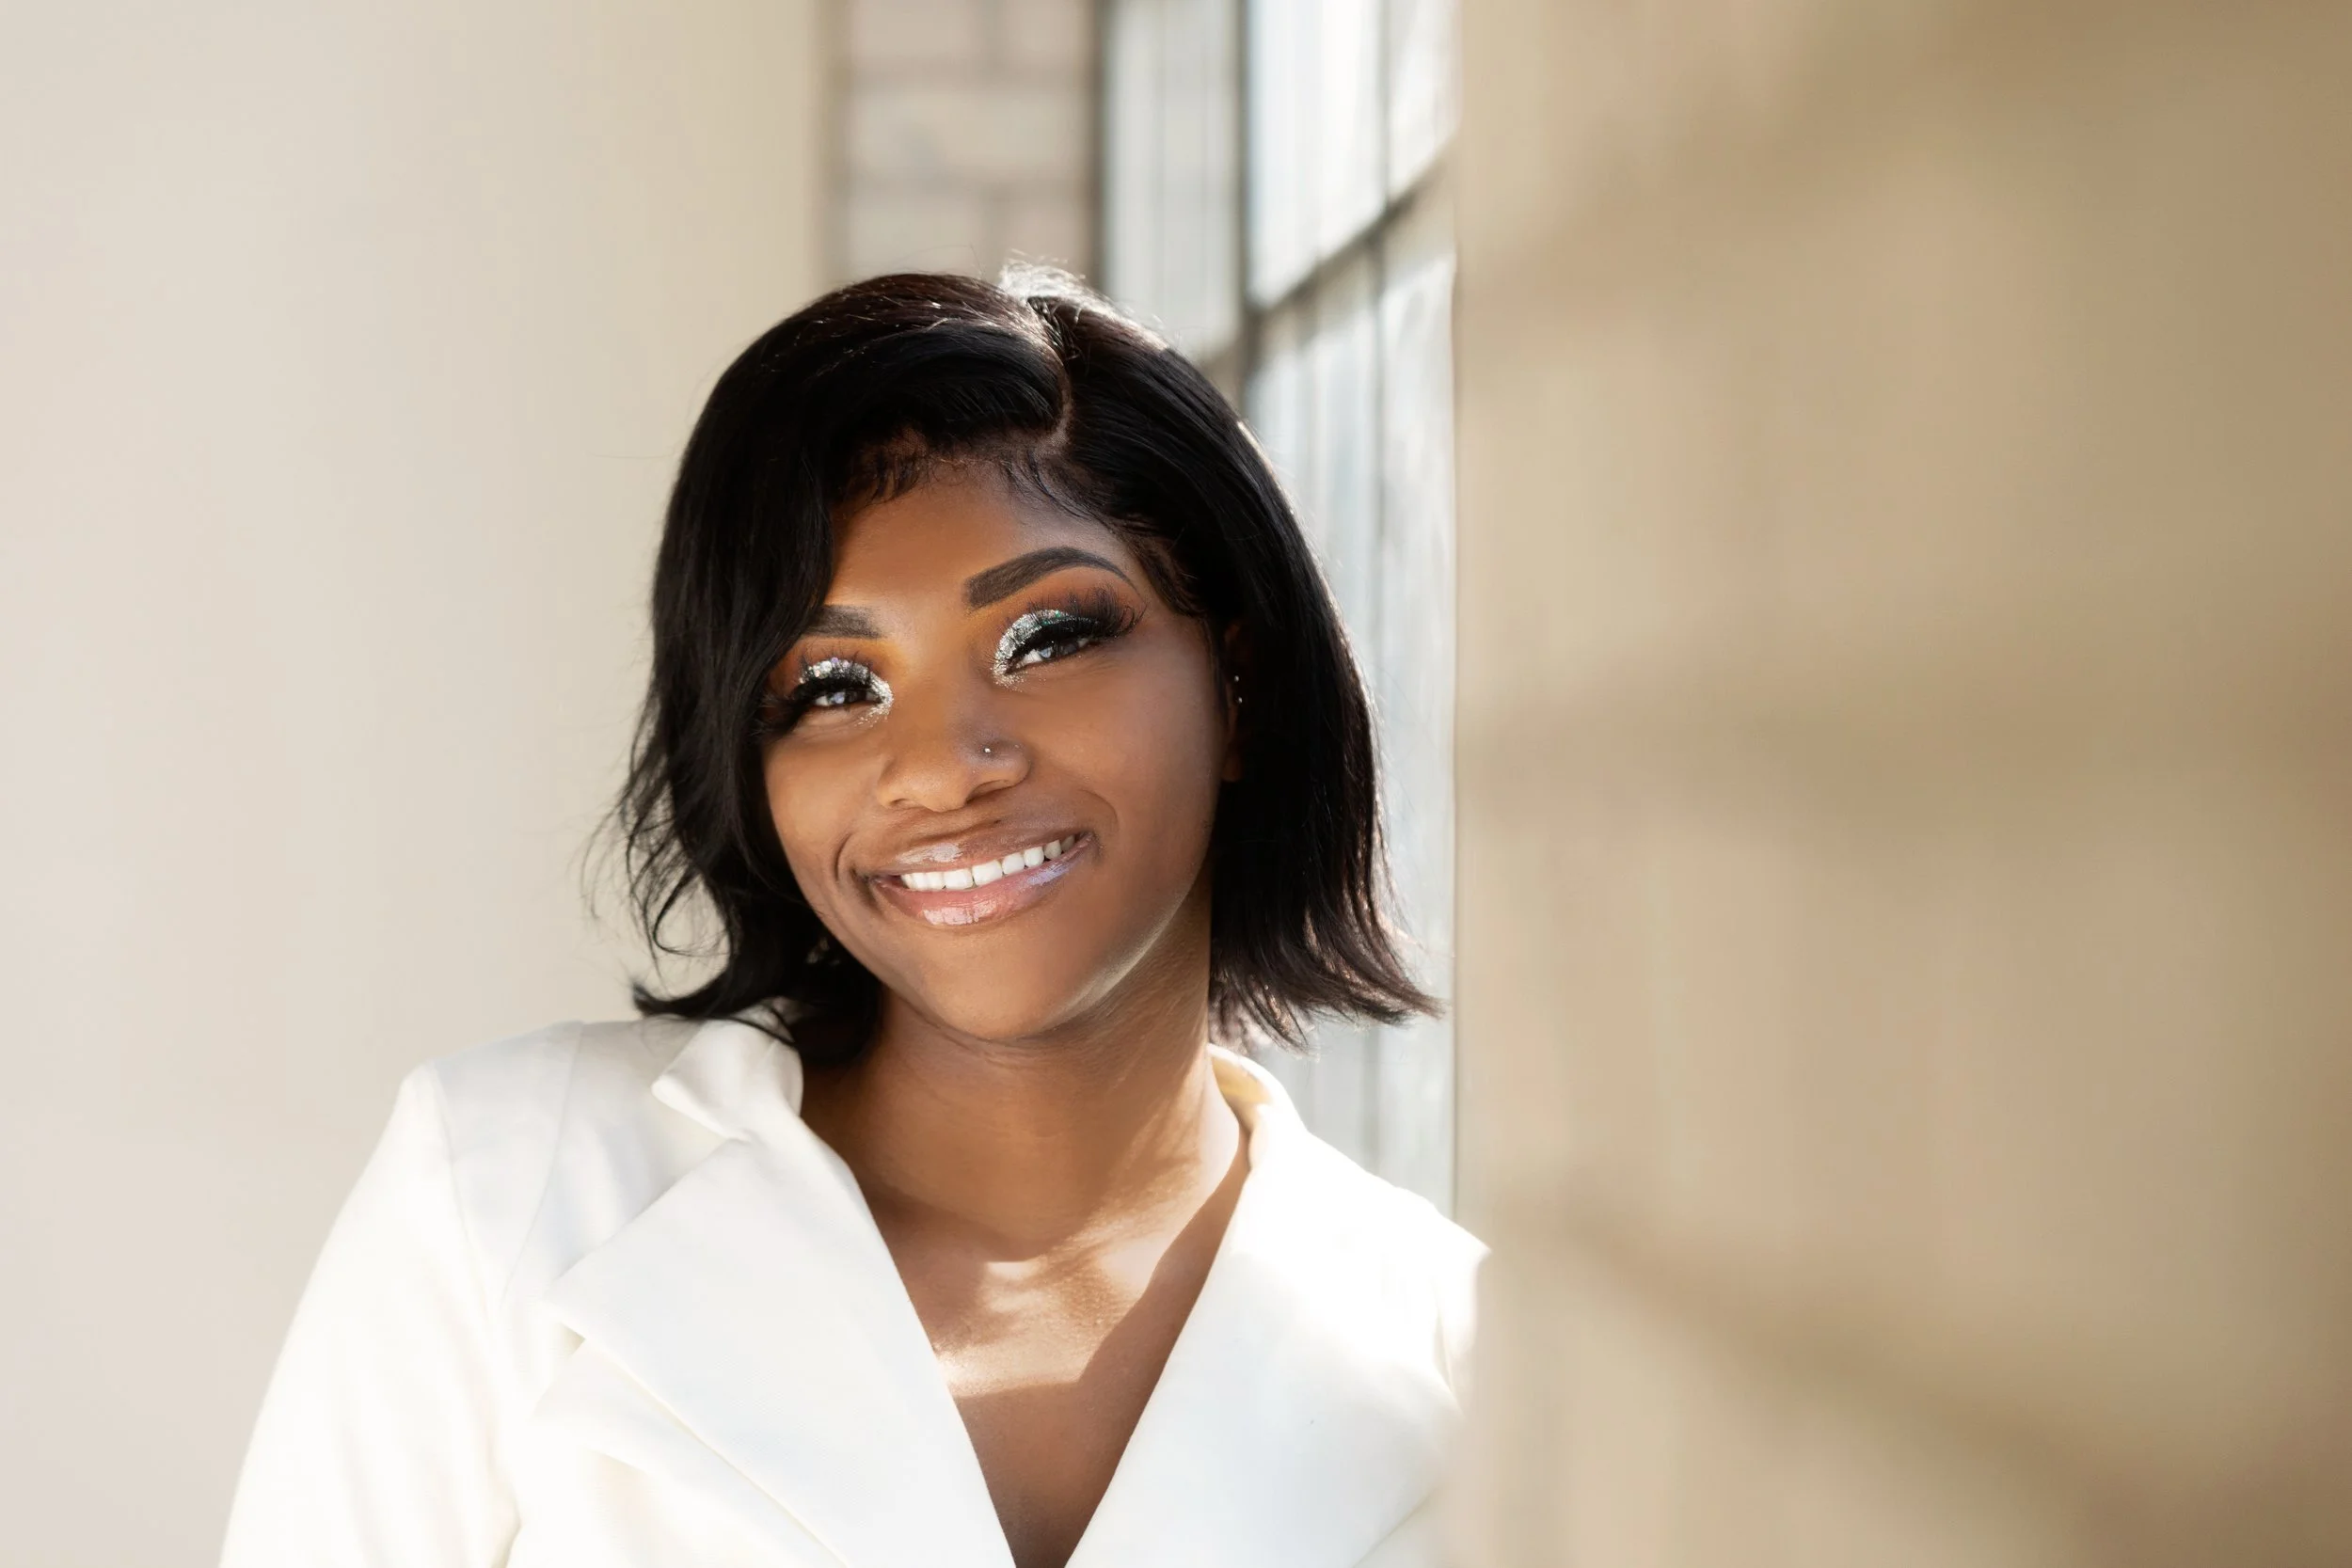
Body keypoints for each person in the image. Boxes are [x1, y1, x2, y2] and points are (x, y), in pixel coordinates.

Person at [220, 270, 1483, 1568]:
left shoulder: (1470, 1361)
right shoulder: (506, 1190)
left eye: (1046, 636)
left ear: (1242, 682)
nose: (939, 765)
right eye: (831, 684)